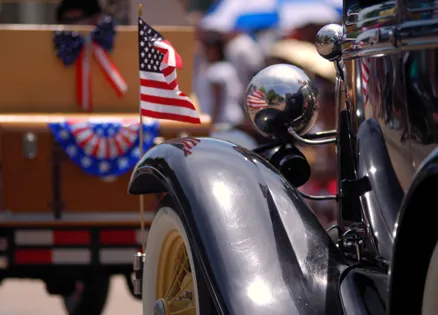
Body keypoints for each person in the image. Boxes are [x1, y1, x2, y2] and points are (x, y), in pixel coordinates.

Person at [194, 30, 257, 149]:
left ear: (214, 50)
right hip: (229, 120)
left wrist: (212, 123)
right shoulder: (225, 68)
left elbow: (218, 100)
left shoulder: (217, 71)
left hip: (221, 123)